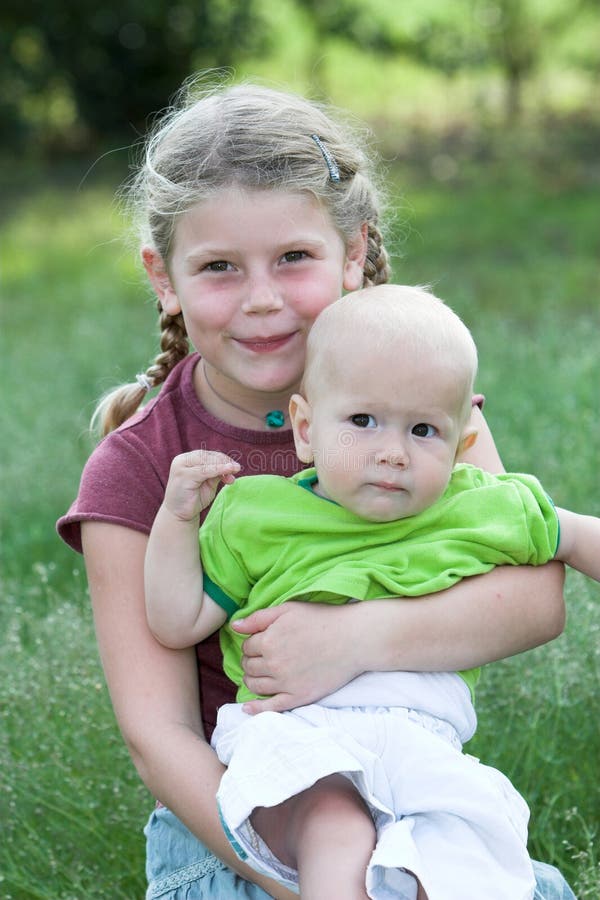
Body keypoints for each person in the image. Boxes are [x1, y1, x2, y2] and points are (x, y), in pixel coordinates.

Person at [56, 78, 575, 900]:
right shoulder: (142, 467)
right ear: (164, 277)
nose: (262, 300)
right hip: (240, 818)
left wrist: (354, 642)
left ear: (356, 254)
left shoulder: (417, 412)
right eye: (219, 268)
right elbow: (159, 737)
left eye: (293, 258)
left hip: (416, 797)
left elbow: (531, 601)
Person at [145, 284, 599, 899]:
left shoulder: (476, 506)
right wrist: (175, 521)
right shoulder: (257, 513)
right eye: (363, 422)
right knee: (338, 831)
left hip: (425, 757)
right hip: (302, 743)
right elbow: (177, 621)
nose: (392, 452)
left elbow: (575, 537)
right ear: (305, 429)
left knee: (453, 873)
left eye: (422, 430)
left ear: (462, 442)